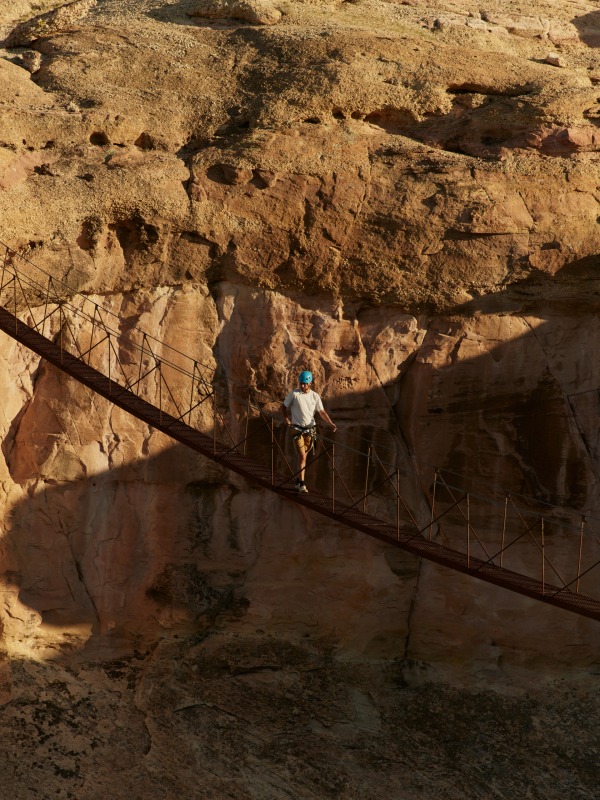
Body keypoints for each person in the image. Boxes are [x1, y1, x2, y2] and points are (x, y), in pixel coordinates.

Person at [280, 370, 336, 493]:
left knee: (303, 459)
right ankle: (301, 484)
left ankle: (298, 481)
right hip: (297, 429)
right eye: (301, 383)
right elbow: (283, 407)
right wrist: (286, 419)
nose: (302, 386)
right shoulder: (294, 394)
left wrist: (330, 423)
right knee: (302, 456)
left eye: (305, 384)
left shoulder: (315, 396)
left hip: (310, 430)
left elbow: (322, 412)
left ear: (310, 383)